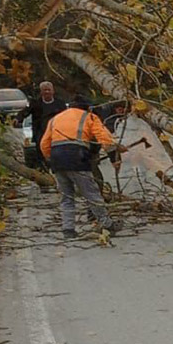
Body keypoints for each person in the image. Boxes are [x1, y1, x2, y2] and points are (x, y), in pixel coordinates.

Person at [40, 95, 128, 239]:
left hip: (57, 158)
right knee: (91, 194)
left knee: (67, 197)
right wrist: (114, 159)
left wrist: (50, 160)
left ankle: (68, 229)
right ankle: (106, 224)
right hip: (77, 157)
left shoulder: (56, 119)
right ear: (87, 107)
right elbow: (105, 139)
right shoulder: (90, 117)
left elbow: (44, 144)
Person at [27, 81, 67, 169]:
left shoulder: (60, 103)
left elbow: (67, 116)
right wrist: (18, 119)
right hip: (41, 132)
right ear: (41, 92)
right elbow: (25, 112)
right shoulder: (36, 104)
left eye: (49, 90)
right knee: (41, 151)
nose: (47, 92)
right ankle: (44, 168)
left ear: (53, 91)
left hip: (57, 132)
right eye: (45, 90)